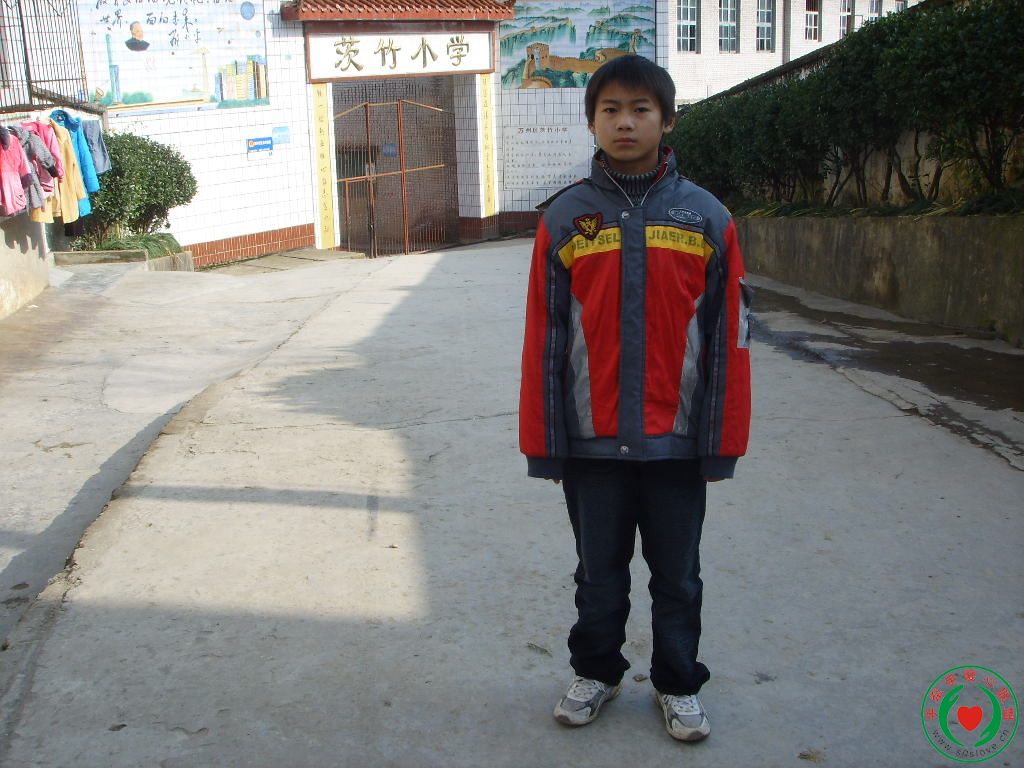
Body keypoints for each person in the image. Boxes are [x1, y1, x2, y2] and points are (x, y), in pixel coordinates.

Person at [518, 55, 752, 743]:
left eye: (641, 109)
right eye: (611, 110)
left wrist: (720, 443)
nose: (625, 122)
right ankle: (598, 670)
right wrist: (546, 443)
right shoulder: (566, 219)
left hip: (676, 442)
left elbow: (727, 339)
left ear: (667, 121)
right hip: (592, 444)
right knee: (599, 575)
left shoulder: (706, 217)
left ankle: (678, 683)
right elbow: (544, 335)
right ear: (591, 121)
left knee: (678, 577)